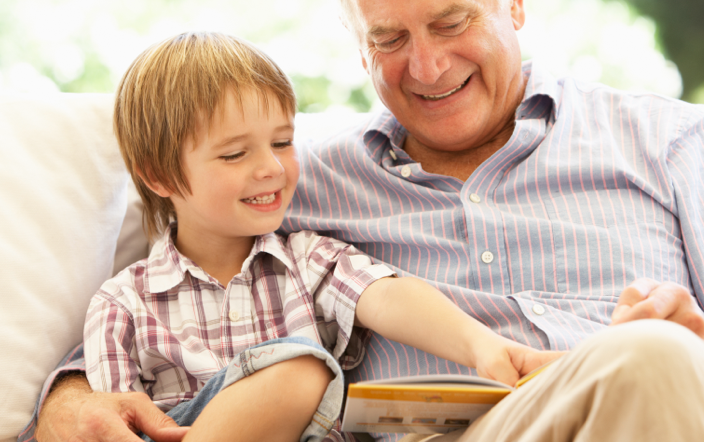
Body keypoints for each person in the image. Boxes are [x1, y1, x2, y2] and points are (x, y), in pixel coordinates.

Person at [23, 0, 704, 442]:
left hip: (632, 414)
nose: (429, 66)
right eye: (389, 38)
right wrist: (72, 404)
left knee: (653, 359)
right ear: (354, 41)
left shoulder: (665, 141)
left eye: (452, 23)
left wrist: (702, 358)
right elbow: (169, 293)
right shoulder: (296, 186)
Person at [80, 31, 559, 442]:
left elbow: (389, 297)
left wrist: (485, 348)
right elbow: (114, 423)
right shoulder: (122, 304)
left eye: (282, 142)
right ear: (160, 177)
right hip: (186, 427)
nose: (269, 167)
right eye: (234, 155)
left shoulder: (308, 258)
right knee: (301, 368)